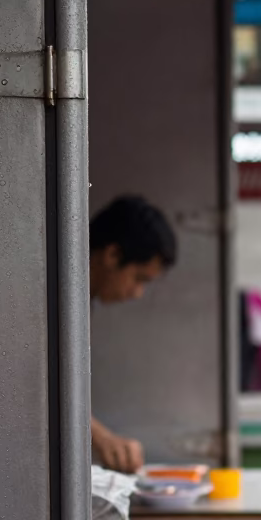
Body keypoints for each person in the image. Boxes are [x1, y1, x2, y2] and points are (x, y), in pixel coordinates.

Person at [89, 194, 177, 472]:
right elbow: (28, 384)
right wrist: (100, 436)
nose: (137, 293)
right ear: (113, 255)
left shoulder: (81, 303)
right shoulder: (45, 295)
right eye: (139, 278)